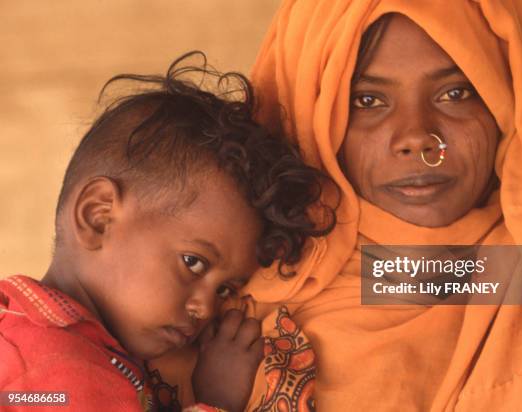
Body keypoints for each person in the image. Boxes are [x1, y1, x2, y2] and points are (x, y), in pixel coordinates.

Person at [234, 0, 522, 410]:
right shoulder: (211, 304)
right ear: (309, 115)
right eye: (368, 100)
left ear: (512, 101)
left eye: (455, 93)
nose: (417, 137)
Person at [0, 52, 333, 412]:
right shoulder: (62, 375)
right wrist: (216, 400)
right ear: (98, 216)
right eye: (193, 262)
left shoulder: (31, 342)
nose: (205, 308)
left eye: (224, 289)